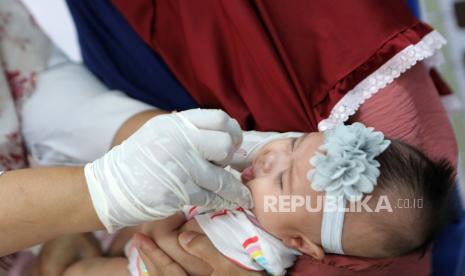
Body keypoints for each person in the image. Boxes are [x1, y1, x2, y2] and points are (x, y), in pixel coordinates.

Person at [49, 124, 455, 276]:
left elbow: (162, 227)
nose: (271, 156)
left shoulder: (257, 251)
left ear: (298, 242)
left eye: (280, 181)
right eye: (295, 142)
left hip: (148, 264)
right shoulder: (270, 200)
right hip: (144, 233)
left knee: (80, 272)